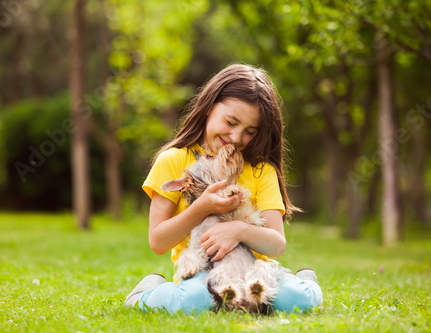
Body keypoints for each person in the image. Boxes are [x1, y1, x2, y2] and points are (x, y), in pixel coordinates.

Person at [125, 64, 323, 314]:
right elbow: (158, 241)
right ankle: (145, 293)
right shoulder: (173, 161)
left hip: (255, 273)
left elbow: (276, 245)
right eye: (231, 122)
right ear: (209, 106)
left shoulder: (261, 171)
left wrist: (239, 230)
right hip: (202, 273)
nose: (237, 137)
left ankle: (305, 281)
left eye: (250, 131)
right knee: (195, 301)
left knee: (298, 300)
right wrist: (201, 208)